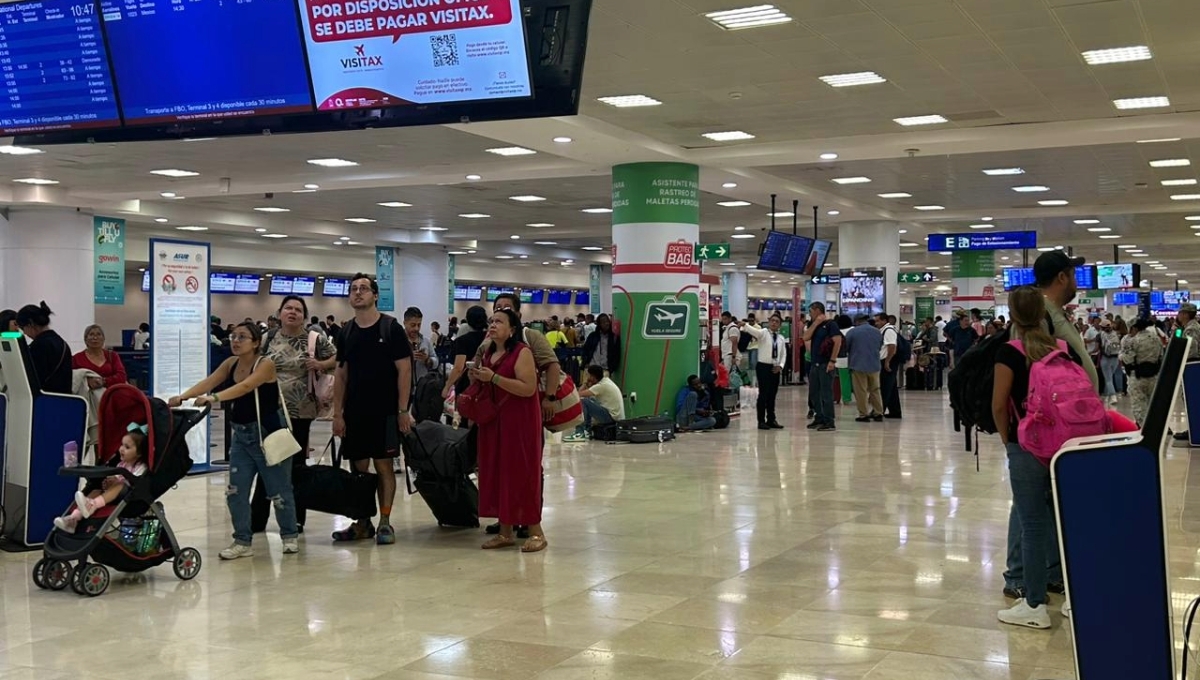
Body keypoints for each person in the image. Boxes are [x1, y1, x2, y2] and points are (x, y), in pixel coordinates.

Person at [170, 322, 300, 559]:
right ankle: (242, 541)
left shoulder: (265, 364)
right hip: (241, 436)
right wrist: (183, 397)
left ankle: (289, 535)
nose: (235, 341)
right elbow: (210, 380)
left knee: (278, 490)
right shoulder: (230, 363)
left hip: (267, 435)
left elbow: (247, 386)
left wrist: (214, 398)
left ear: (256, 343)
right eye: (233, 336)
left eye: (242, 337)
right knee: (235, 491)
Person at [991, 285, 1070, 630]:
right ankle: (1072, 594)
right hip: (1064, 447)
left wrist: (1009, 440)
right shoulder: (1063, 348)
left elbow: (998, 404)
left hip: (1027, 445)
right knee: (1064, 519)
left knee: (1032, 524)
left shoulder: (1009, 352)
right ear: (1043, 313)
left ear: (1012, 315)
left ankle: (1034, 604)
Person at [332, 274, 414, 545]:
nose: (358, 293)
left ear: (375, 295)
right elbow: (341, 374)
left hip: (385, 412)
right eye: (354, 289)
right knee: (358, 468)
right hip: (355, 412)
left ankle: (386, 521)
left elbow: (404, 370)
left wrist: (403, 410)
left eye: (364, 289)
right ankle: (362, 521)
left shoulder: (390, 328)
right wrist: (337, 413)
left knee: (383, 465)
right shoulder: (346, 332)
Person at [476, 292, 561, 539]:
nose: (493, 324)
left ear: (514, 324)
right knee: (497, 469)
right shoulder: (486, 348)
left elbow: (529, 385)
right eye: (492, 317)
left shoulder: (526, 346)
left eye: (500, 318)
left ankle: (533, 527)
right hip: (495, 419)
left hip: (519, 419)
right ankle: (505, 528)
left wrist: (550, 397)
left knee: (523, 469)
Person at [251, 295, 337, 534]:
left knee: (295, 466)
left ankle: (296, 518)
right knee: (267, 461)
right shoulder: (268, 338)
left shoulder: (313, 339)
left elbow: (339, 358)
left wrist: (320, 365)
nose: (292, 312)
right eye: (288, 308)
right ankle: (257, 517)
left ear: (304, 316)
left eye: (298, 310)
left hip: (301, 411)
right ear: (279, 313)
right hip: (270, 411)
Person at [53, 424, 149, 533]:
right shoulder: (121, 465)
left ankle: (93, 505)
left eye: (127, 447)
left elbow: (136, 482)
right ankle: (73, 519)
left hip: (130, 498)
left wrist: (116, 482)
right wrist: (109, 481)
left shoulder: (141, 467)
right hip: (111, 494)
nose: (121, 449)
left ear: (139, 453)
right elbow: (115, 478)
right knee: (95, 491)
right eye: (122, 445)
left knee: (120, 485)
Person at [1032, 251, 1098, 389]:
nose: (1076, 282)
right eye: (1073, 276)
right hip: (1058, 408)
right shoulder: (1040, 316)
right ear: (1062, 277)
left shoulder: (1055, 313)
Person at [740, 314, 788, 430]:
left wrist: (780, 366)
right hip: (763, 367)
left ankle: (771, 419)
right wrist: (745, 325)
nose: (774, 323)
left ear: (780, 324)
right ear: (769, 322)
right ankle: (761, 421)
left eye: (777, 321)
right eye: (772, 321)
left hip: (775, 368)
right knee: (763, 394)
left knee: (772, 395)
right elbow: (753, 331)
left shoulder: (781, 338)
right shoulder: (763, 333)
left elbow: (783, 354)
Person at [442, 306, 489, 424]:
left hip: (466, 386)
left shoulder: (463, 340)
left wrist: (447, 386)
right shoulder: (491, 339)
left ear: (468, 320)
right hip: (487, 384)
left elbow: (458, 367)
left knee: (461, 421)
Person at [16, 302, 72, 394]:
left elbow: (33, 379)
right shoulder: (62, 342)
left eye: (23, 328)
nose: (25, 333)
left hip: (44, 401)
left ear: (30, 323)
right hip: (62, 400)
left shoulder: (39, 345)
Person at [805, 302, 842, 432]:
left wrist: (832, 360)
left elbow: (837, 341)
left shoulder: (831, 325)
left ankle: (829, 420)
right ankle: (819, 417)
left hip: (826, 363)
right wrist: (815, 324)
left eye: (811, 311)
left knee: (826, 393)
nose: (809, 314)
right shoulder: (813, 325)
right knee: (814, 392)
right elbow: (805, 337)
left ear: (817, 310)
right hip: (814, 364)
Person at [1120, 318, 1164, 426]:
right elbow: (1161, 356)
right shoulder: (1156, 338)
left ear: (1134, 328)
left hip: (1137, 377)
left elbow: (1128, 359)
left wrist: (1120, 355)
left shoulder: (1133, 340)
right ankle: (1157, 426)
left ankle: (1144, 427)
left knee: (1139, 404)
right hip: (1153, 375)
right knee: (1153, 403)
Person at [567, 365, 625, 441]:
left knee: (583, 401)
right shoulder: (606, 381)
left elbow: (578, 394)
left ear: (593, 377)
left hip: (612, 418)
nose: (587, 377)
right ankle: (587, 431)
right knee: (588, 400)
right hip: (616, 418)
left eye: (588, 375)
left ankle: (580, 433)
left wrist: (584, 384)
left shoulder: (601, 386)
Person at [844, 315, 884, 423]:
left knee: (861, 391)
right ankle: (878, 412)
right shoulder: (877, 331)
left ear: (857, 321)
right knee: (875, 390)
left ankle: (863, 414)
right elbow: (880, 346)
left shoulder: (852, 332)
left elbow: (846, 347)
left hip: (858, 365)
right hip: (874, 365)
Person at [1172, 303, 1200, 442]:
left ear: (1185, 314)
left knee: (1192, 399)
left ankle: (1194, 430)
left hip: (1192, 368)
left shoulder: (1191, 329)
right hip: (1191, 367)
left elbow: (1191, 349)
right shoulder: (1187, 328)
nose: (1178, 315)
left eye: (1180, 312)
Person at [72, 325, 128, 390]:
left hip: (112, 395)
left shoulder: (113, 356)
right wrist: (86, 382)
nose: (95, 338)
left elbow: (122, 376)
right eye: (91, 334)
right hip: (86, 396)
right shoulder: (76, 359)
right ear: (85, 339)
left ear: (103, 339)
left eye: (98, 334)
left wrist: (104, 381)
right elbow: (72, 379)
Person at [403, 307, 440, 381]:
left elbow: (436, 361)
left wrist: (427, 360)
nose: (416, 328)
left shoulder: (426, 341)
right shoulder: (397, 341)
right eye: (413, 325)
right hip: (403, 386)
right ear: (405, 323)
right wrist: (408, 358)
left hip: (423, 387)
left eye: (419, 325)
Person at [876, 313, 901, 419]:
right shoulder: (885, 330)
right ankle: (895, 411)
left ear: (884, 321)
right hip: (888, 361)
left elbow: (892, 347)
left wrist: (887, 362)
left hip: (888, 361)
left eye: (878, 321)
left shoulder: (888, 330)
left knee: (885, 387)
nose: (876, 323)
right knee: (891, 387)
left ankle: (879, 410)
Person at [1098, 319, 1122, 406]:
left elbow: (1098, 348)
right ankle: (1106, 394)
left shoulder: (1100, 335)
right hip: (1115, 358)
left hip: (1105, 358)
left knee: (1108, 379)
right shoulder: (1116, 334)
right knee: (1110, 377)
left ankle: (1113, 396)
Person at [743, 314, 762, 386]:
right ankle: (751, 380)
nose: (750, 322)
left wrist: (751, 332)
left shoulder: (758, 327)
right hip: (748, 347)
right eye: (749, 321)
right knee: (749, 365)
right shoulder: (747, 326)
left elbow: (759, 336)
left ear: (754, 320)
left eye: (752, 321)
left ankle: (755, 381)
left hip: (755, 347)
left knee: (754, 364)